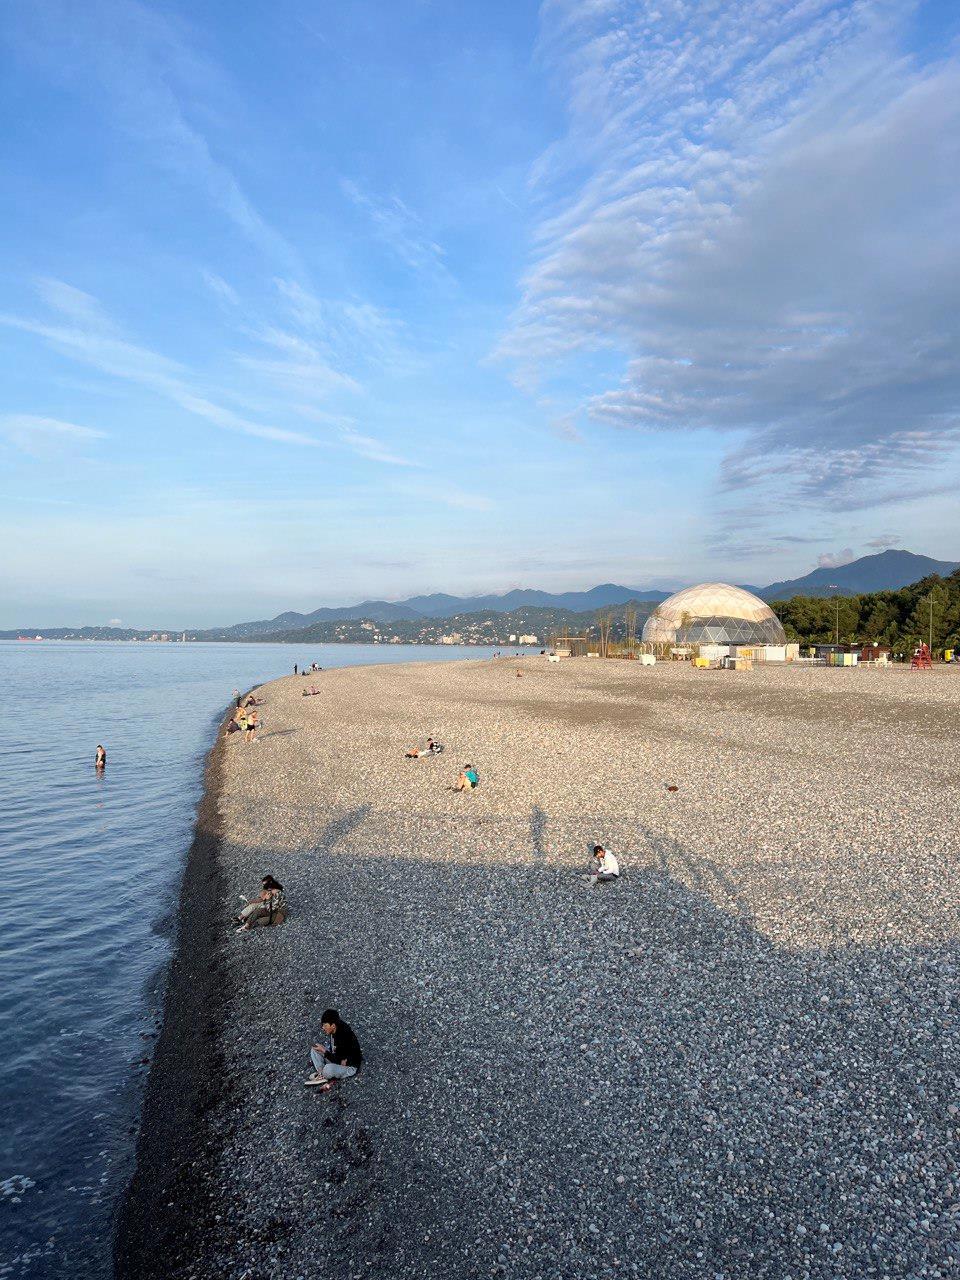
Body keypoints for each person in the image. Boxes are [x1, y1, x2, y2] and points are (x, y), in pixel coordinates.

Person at [306, 1009, 362, 1090]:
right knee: (315, 1049)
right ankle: (321, 1074)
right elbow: (334, 1053)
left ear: (333, 1025)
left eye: (325, 1025)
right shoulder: (335, 1028)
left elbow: (341, 1062)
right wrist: (323, 1051)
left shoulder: (344, 1036)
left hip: (349, 1066)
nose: (323, 1028)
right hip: (336, 1057)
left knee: (328, 1069)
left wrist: (324, 1051)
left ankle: (323, 1074)